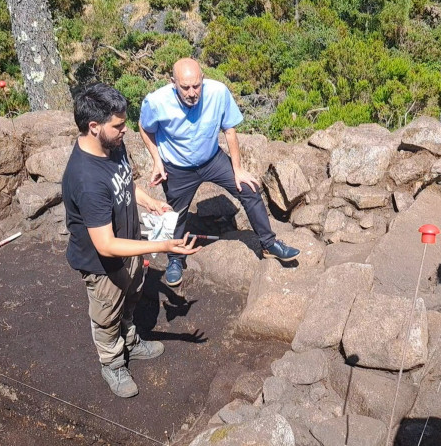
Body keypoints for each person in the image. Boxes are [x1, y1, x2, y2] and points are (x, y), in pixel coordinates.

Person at [62, 83, 201, 398]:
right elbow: (106, 246)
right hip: (102, 263)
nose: (125, 130)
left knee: (133, 294)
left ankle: (132, 340)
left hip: (129, 244)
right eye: (119, 126)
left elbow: (124, 183)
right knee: (107, 313)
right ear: (94, 127)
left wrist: (149, 202)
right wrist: (163, 246)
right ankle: (112, 363)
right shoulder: (85, 178)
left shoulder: (112, 145)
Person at [138, 58, 300, 287]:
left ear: (203, 79)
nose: (192, 92)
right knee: (175, 214)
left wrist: (238, 169)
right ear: (173, 82)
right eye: (185, 87)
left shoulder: (218, 92)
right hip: (178, 166)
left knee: (249, 189)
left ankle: (269, 244)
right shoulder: (156, 102)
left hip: (212, 159)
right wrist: (157, 161)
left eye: (196, 85)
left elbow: (229, 130)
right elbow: (144, 127)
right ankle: (175, 259)